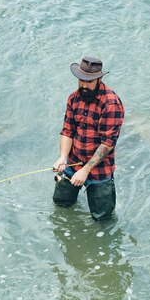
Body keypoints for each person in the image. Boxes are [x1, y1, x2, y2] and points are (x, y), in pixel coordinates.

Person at [52, 56, 125, 221]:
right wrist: (63, 157)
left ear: (99, 79)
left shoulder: (111, 103)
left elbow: (107, 144)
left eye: (89, 81)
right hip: (73, 162)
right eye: (81, 80)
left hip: (100, 169)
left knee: (103, 218)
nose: (84, 85)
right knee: (60, 203)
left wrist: (85, 171)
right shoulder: (74, 98)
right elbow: (67, 130)